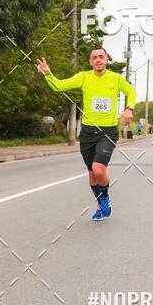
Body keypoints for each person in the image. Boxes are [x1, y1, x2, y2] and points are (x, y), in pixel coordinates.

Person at [36, 48, 135, 220]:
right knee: (92, 174)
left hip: (108, 131)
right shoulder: (83, 77)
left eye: (101, 57)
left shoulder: (116, 78)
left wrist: (129, 108)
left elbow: (131, 92)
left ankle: (105, 198)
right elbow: (59, 86)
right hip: (88, 132)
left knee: (98, 169)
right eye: (94, 57)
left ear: (106, 60)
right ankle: (100, 205)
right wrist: (48, 74)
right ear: (90, 62)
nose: (98, 60)